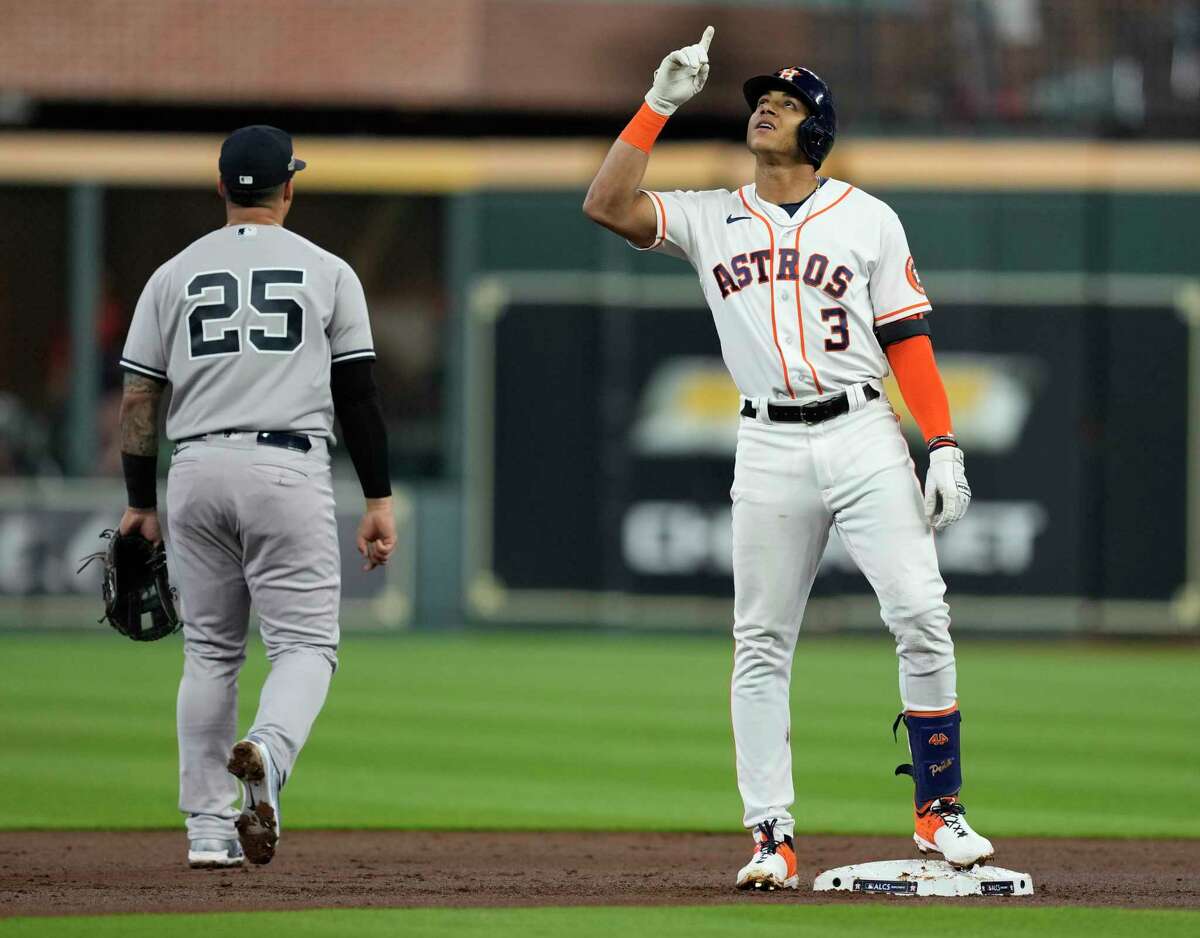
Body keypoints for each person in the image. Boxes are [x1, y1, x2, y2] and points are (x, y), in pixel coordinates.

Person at [583, 29, 993, 890]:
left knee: (921, 610)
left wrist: (943, 441)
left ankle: (939, 810)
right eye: (760, 100)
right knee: (761, 641)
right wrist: (658, 105)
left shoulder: (868, 217)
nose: (764, 106)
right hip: (767, 440)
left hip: (860, 429)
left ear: (817, 131)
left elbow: (908, 340)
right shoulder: (710, 213)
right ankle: (771, 835)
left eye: (786, 101)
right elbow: (607, 205)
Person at [117, 125, 396, 868]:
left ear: (220, 189)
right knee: (305, 645)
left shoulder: (172, 273)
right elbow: (359, 395)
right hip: (286, 465)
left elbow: (140, 397)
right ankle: (269, 751)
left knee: (210, 652)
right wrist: (379, 499)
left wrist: (140, 502)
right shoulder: (327, 269)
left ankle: (207, 834)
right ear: (289, 187)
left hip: (197, 467)